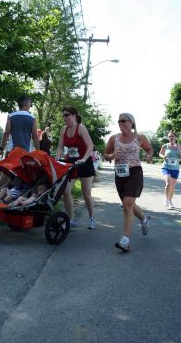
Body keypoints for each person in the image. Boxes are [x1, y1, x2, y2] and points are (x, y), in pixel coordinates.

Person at [104, 112, 153, 252]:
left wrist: (149, 156)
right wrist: (111, 156)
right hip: (120, 173)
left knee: (127, 203)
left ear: (131, 122)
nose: (120, 123)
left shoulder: (140, 138)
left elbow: (149, 149)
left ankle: (125, 239)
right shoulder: (113, 138)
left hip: (135, 172)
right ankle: (144, 220)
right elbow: (105, 154)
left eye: (123, 121)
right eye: (118, 121)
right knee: (129, 204)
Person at [56, 106, 96, 229]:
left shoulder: (81, 128)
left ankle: (92, 218)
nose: (64, 117)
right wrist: (58, 158)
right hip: (71, 162)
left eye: (67, 115)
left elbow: (90, 146)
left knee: (86, 194)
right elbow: (60, 147)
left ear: (74, 116)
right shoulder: (64, 129)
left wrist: (83, 159)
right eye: (63, 115)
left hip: (84, 162)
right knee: (66, 190)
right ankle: (71, 219)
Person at [0, 95, 40, 186]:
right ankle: (15, 196)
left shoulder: (11, 116)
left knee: (5, 174)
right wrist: (38, 151)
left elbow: (6, 134)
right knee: (22, 176)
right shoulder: (32, 118)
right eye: (30, 104)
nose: (30, 105)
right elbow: (35, 137)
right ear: (26, 103)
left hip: (12, 151)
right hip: (25, 153)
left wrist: (1, 149)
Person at [159, 131, 180, 209]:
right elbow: (160, 153)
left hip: (175, 168)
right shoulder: (165, 146)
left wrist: (179, 150)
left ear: (175, 137)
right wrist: (163, 156)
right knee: (168, 183)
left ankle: (170, 201)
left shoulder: (179, 146)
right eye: (170, 136)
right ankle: (166, 199)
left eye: (172, 136)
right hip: (166, 167)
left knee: (172, 186)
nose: (171, 138)